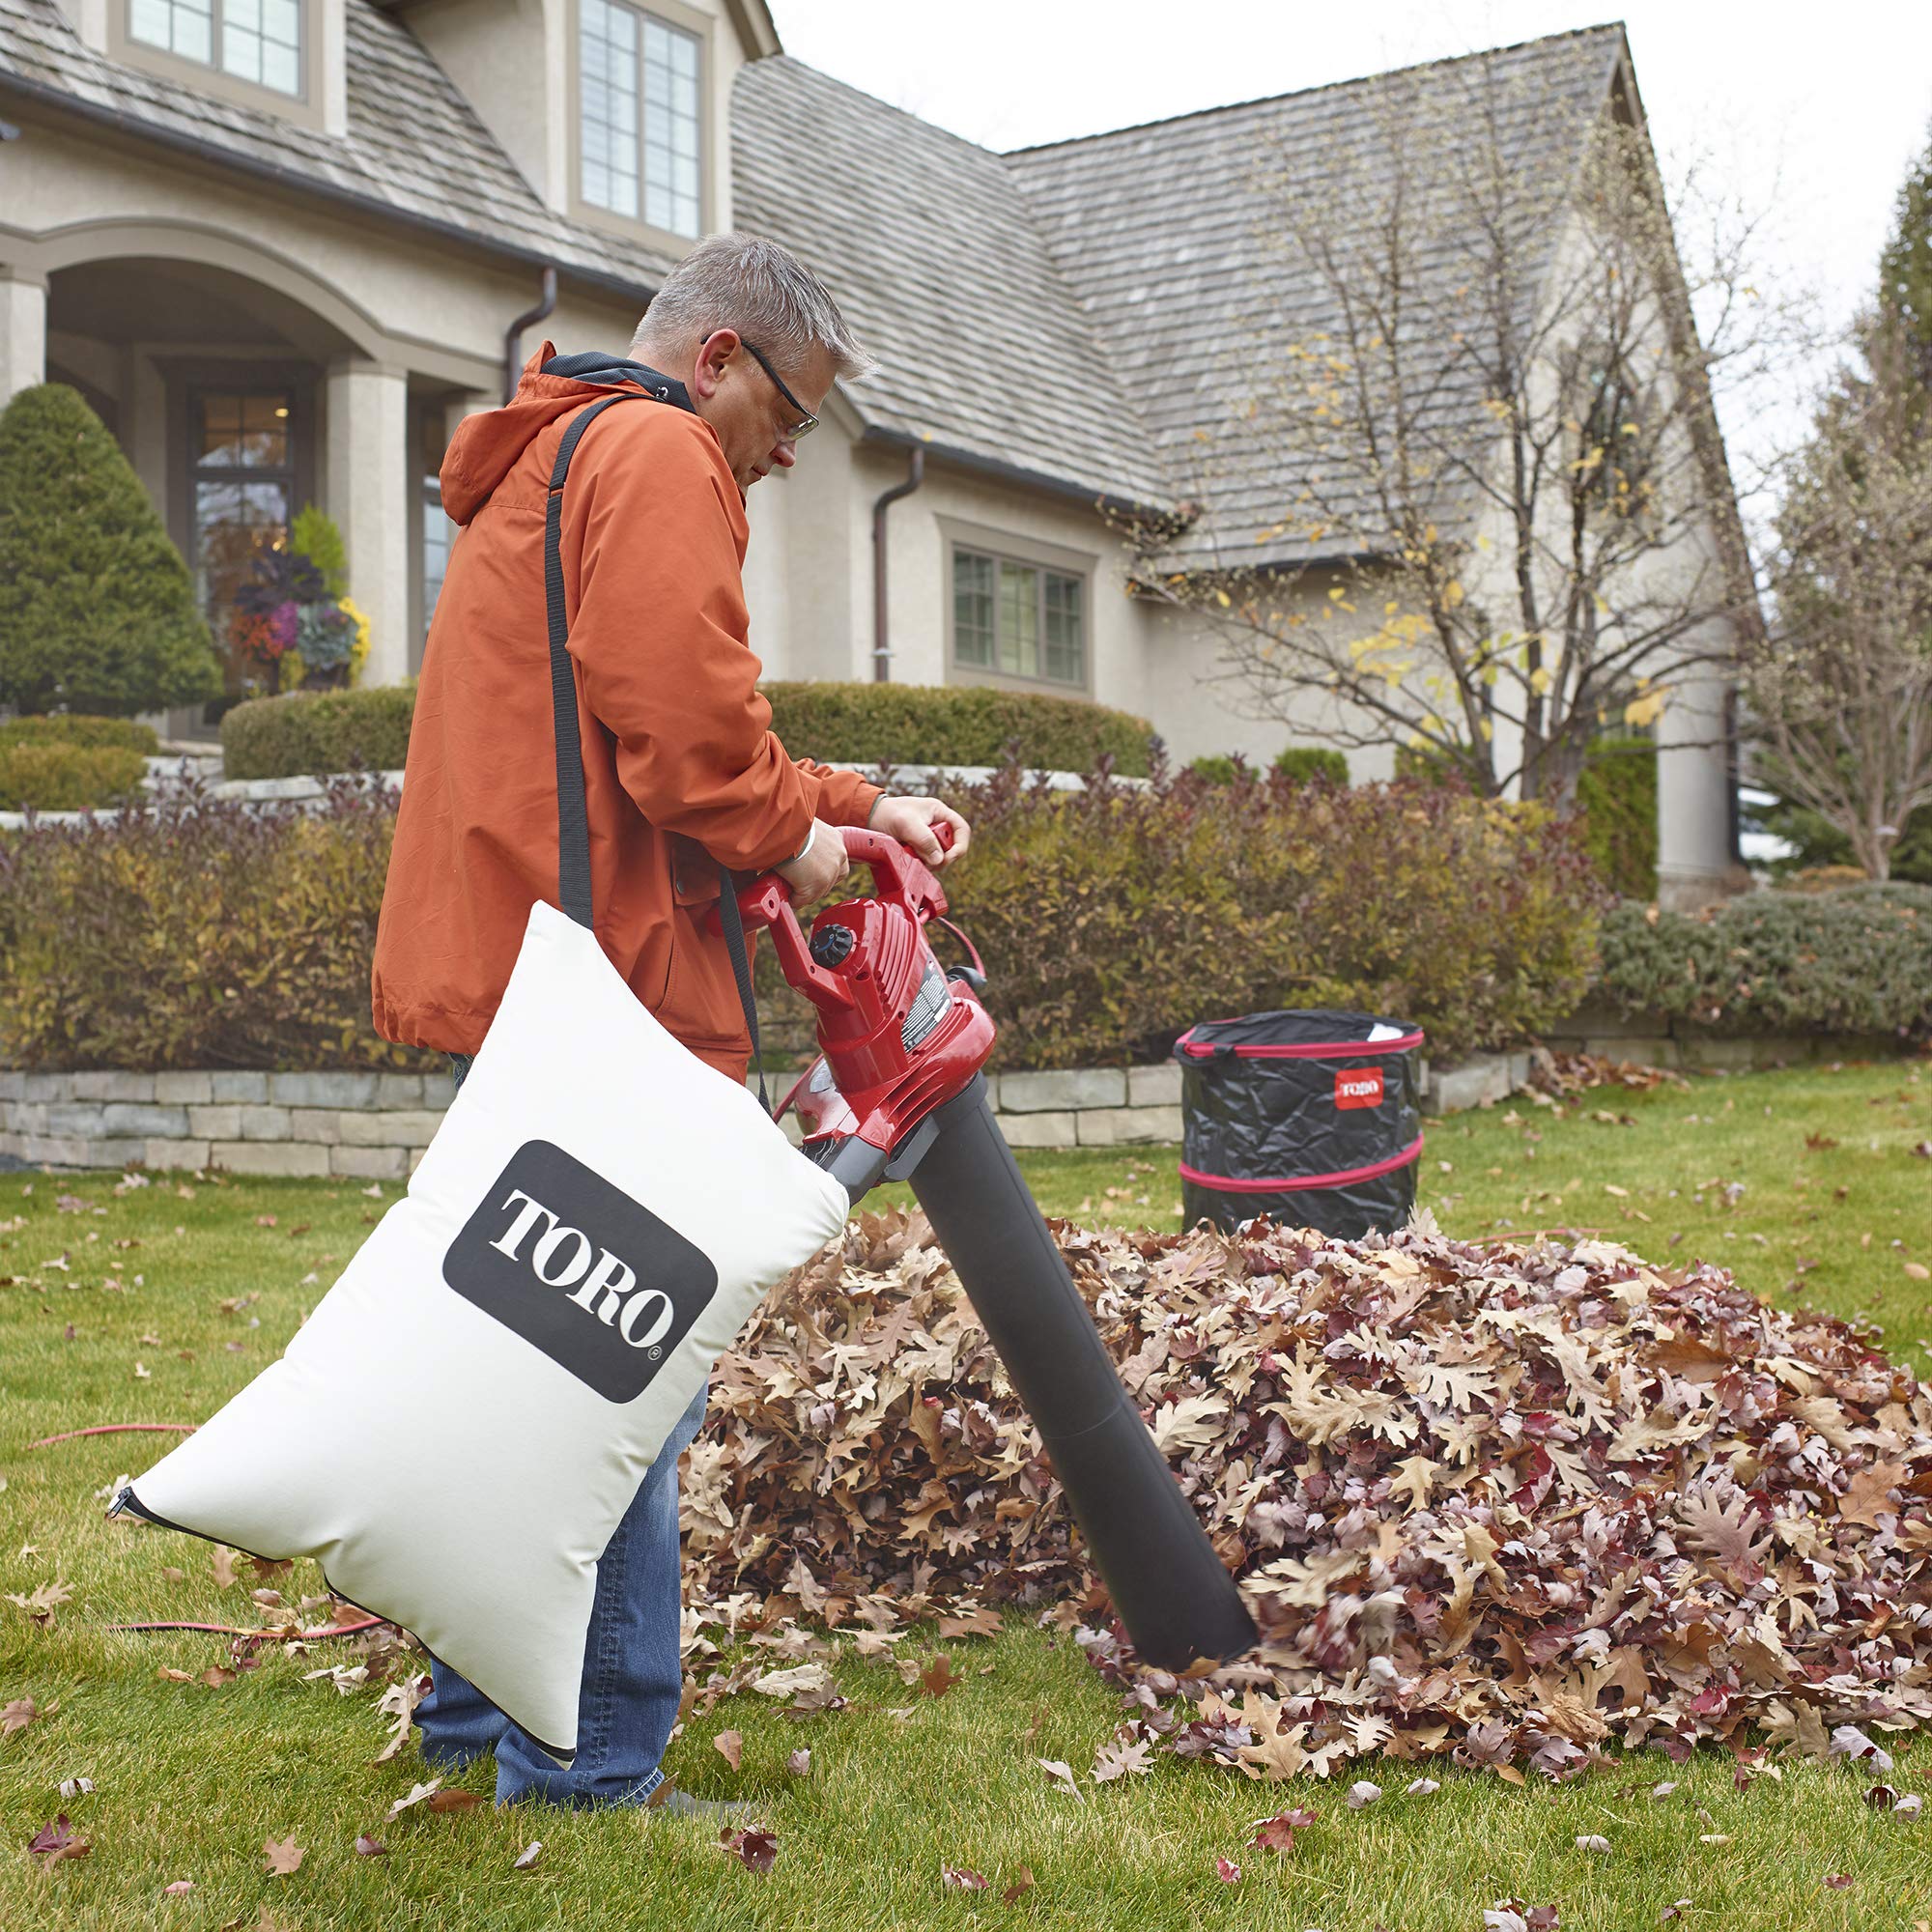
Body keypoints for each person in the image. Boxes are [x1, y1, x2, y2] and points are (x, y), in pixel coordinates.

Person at [369, 231, 971, 1811]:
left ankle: (468, 1721)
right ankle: (591, 1767)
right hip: (610, 991)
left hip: (533, 971)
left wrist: (861, 800)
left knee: (524, 1357)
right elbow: (696, 754)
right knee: (622, 1374)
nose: (783, 461)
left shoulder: (561, 449)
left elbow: (657, 708)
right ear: (719, 362)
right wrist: (820, 843)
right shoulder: (655, 449)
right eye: (791, 419)